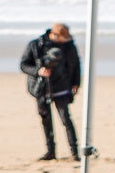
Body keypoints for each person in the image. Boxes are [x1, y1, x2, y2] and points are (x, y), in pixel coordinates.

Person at [19, 22, 81, 162]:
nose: (66, 40)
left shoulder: (69, 46)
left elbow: (76, 64)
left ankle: (75, 152)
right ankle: (50, 152)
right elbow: (23, 65)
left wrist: (76, 82)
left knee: (66, 120)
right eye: (63, 38)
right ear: (54, 34)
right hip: (41, 89)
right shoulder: (35, 45)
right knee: (46, 121)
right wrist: (38, 71)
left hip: (62, 88)